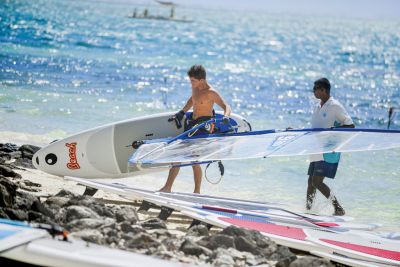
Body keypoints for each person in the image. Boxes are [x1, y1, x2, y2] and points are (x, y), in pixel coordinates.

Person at [159, 65, 231, 194]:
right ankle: (167, 188)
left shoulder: (211, 93)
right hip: (191, 123)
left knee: (194, 158)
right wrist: (182, 111)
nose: (191, 83)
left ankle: (197, 191)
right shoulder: (195, 87)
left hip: (204, 125)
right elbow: (193, 100)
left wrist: (226, 117)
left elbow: (226, 106)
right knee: (177, 154)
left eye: (193, 80)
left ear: (202, 80)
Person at [306, 78, 354, 216]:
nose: (313, 91)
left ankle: (338, 208)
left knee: (317, 181)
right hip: (315, 149)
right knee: (310, 181)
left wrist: (333, 132)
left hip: (328, 150)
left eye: (316, 88)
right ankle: (308, 210)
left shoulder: (335, 106)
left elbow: (350, 125)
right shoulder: (317, 106)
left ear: (323, 90)